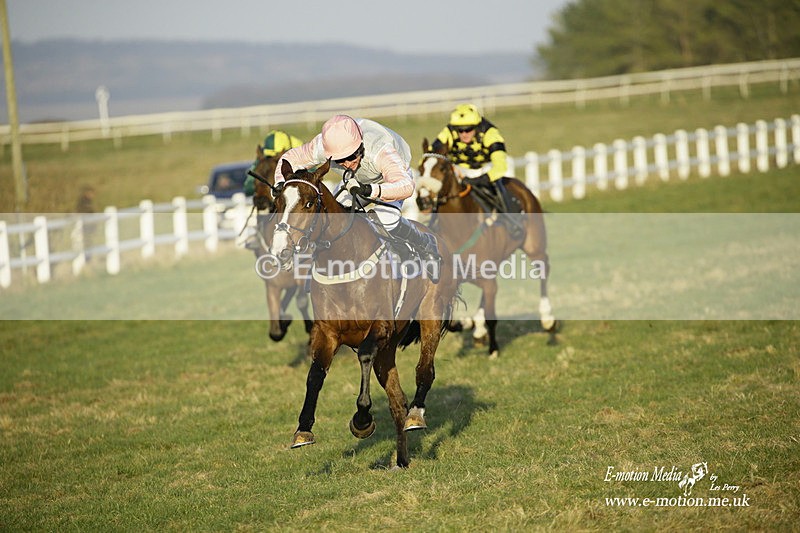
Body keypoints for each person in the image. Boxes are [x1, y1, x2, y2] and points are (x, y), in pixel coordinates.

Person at [273, 114, 441, 279]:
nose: (346, 163)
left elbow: (405, 186)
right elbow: (289, 159)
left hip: (391, 180)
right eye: (340, 160)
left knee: (385, 220)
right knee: (333, 218)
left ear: (360, 146)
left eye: (351, 156)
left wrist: (369, 190)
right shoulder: (322, 146)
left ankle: (424, 242)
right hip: (354, 181)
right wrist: (281, 184)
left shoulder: (380, 149)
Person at [430, 103, 523, 237]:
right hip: (458, 170)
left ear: (477, 126)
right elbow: (432, 155)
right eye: (460, 130)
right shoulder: (448, 132)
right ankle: (434, 224)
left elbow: (501, 166)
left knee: (498, 189)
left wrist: (481, 179)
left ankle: (511, 221)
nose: (464, 134)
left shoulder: (491, 133)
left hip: (485, 169)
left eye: (468, 129)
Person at [243, 130, 304, 197]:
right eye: (269, 157)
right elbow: (248, 187)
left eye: (276, 159)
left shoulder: (302, 153)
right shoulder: (264, 156)